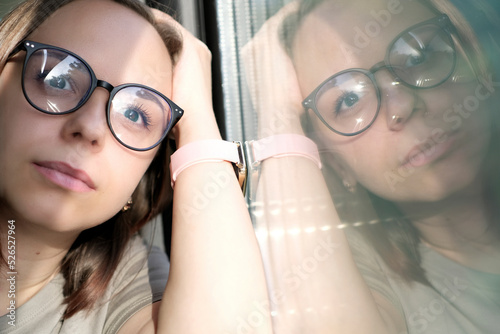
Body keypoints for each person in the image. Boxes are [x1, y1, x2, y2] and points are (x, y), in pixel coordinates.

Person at [0, 0, 272, 333]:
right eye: (57, 79)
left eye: (134, 114)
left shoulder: (126, 281)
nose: (90, 128)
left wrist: (198, 114)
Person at [243, 0, 500, 332]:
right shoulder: (363, 281)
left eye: (418, 57)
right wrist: (277, 111)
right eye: (349, 100)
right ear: (335, 162)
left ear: (475, 59)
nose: (403, 104)